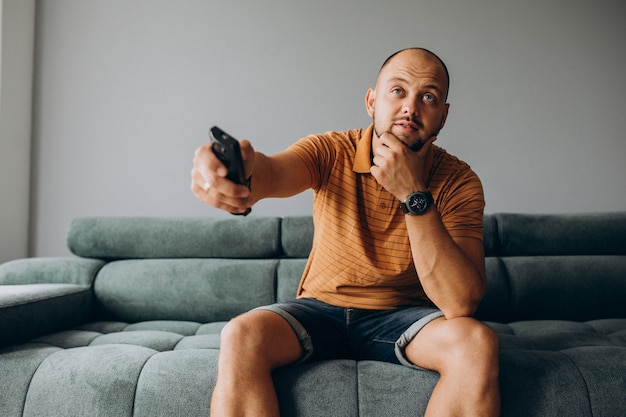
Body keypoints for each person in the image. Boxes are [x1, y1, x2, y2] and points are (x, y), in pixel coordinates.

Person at [191, 47, 500, 417]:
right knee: (241, 335)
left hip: (404, 316)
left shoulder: (459, 182)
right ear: (372, 101)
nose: (410, 107)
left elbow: (460, 303)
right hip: (320, 310)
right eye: (397, 90)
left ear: (443, 116)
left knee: (477, 343)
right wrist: (236, 173)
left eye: (428, 97)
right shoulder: (331, 151)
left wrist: (413, 194)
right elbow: (270, 173)